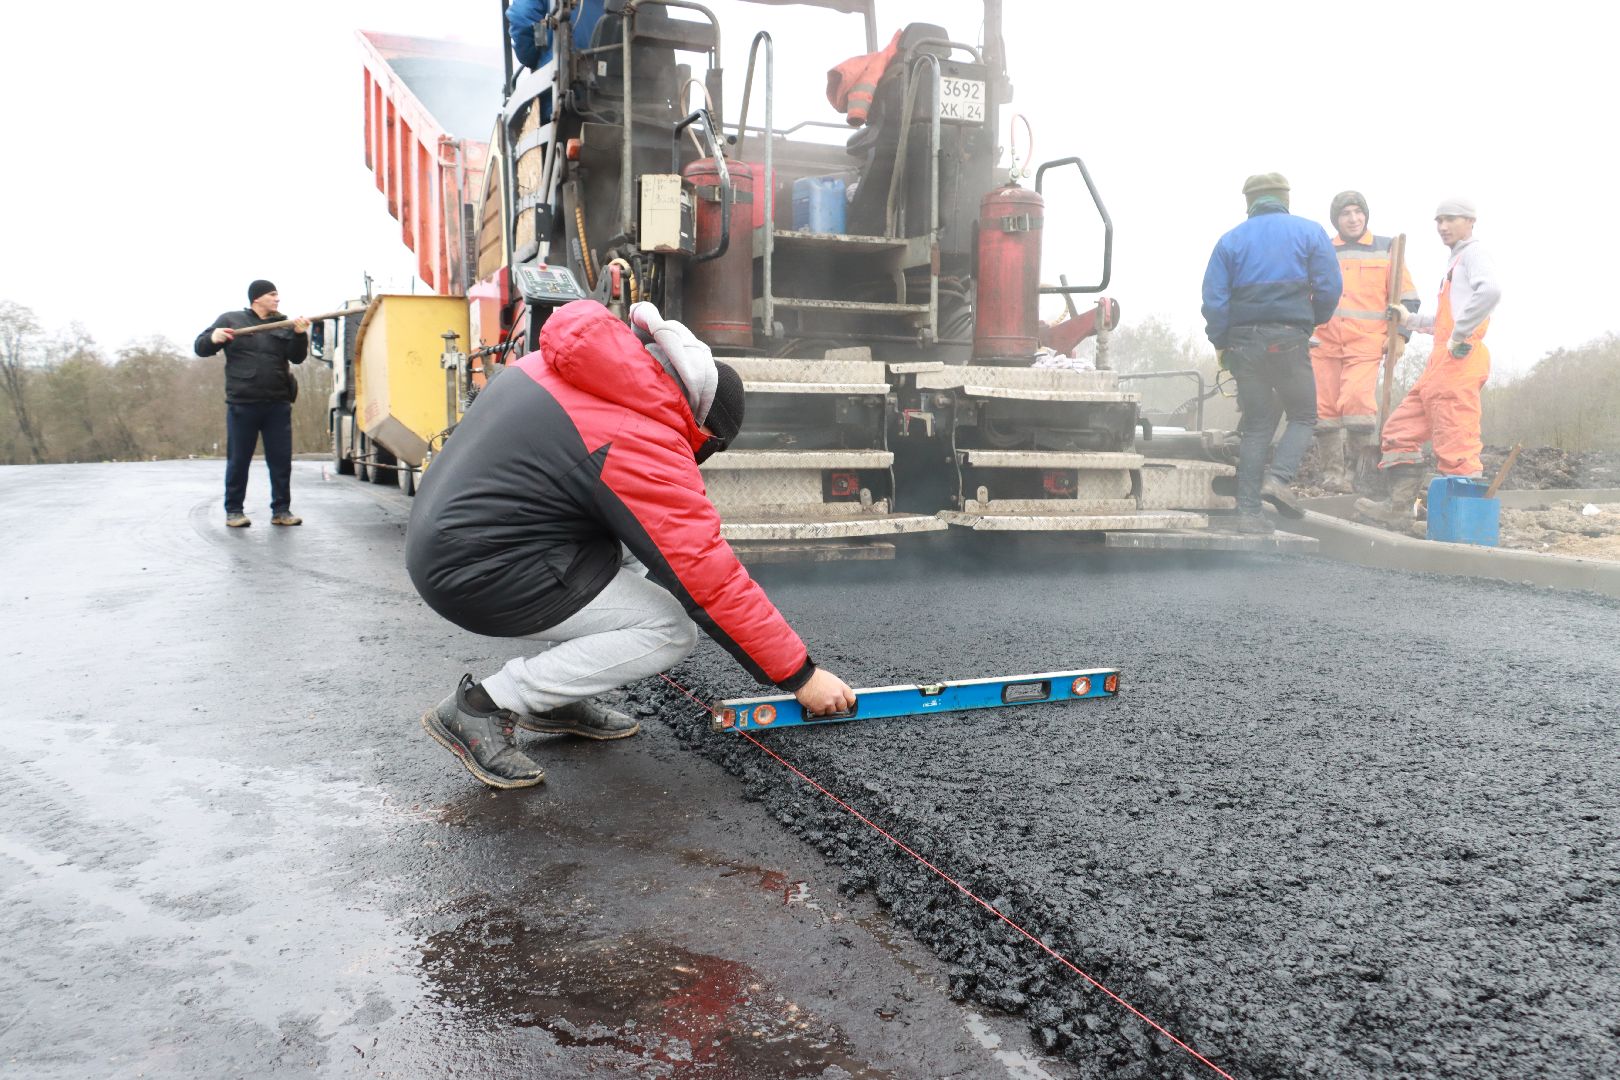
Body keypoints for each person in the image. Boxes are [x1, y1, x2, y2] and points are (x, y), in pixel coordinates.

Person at [404, 299, 857, 789]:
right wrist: (801, 677)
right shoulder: (636, 432)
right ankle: (485, 706)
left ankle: (556, 695)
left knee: (644, 557)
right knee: (670, 627)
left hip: (463, 539)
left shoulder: (577, 370)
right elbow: (709, 576)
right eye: (706, 444)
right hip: (477, 570)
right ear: (701, 422)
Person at [1201, 173, 1343, 534]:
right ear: (1284, 198)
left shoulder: (1229, 241)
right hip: (1288, 339)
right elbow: (1329, 288)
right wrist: (1310, 322)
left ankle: (1248, 514)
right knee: (1304, 414)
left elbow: (1214, 301)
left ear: (1249, 202)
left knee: (1258, 424)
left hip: (1243, 344)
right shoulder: (1309, 233)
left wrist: (1222, 343)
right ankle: (1278, 480)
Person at [1355, 197, 1503, 528]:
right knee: (1399, 430)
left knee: (1456, 444)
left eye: (1450, 219)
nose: (1442, 226)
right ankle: (1398, 510)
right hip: (1441, 362)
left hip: (1459, 362)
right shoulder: (1457, 261)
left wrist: (1460, 333)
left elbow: (1490, 291)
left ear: (1470, 221)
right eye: (1438, 220)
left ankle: (1461, 526)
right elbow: (1445, 323)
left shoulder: (1474, 253)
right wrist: (1409, 319)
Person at [1310, 191, 1419, 493]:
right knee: (1324, 412)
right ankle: (1332, 475)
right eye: (1346, 213)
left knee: (1357, 405)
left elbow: (1407, 297)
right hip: (1324, 343)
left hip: (1366, 343)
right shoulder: (1322, 250)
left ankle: (1355, 474)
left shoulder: (1387, 248)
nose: (1353, 218)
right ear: (1337, 219)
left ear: (1366, 215)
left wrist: (1400, 335)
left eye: (1358, 212)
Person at [193, 280, 310, 527]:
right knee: (239, 460)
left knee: (280, 462)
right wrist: (213, 337)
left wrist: (300, 335)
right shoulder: (231, 320)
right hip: (242, 404)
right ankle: (234, 511)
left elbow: (297, 357)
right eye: (272, 295)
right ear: (256, 298)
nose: (278, 299)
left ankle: (281, 511)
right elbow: (201, 348)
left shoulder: (285, 323)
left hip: (277, 403)